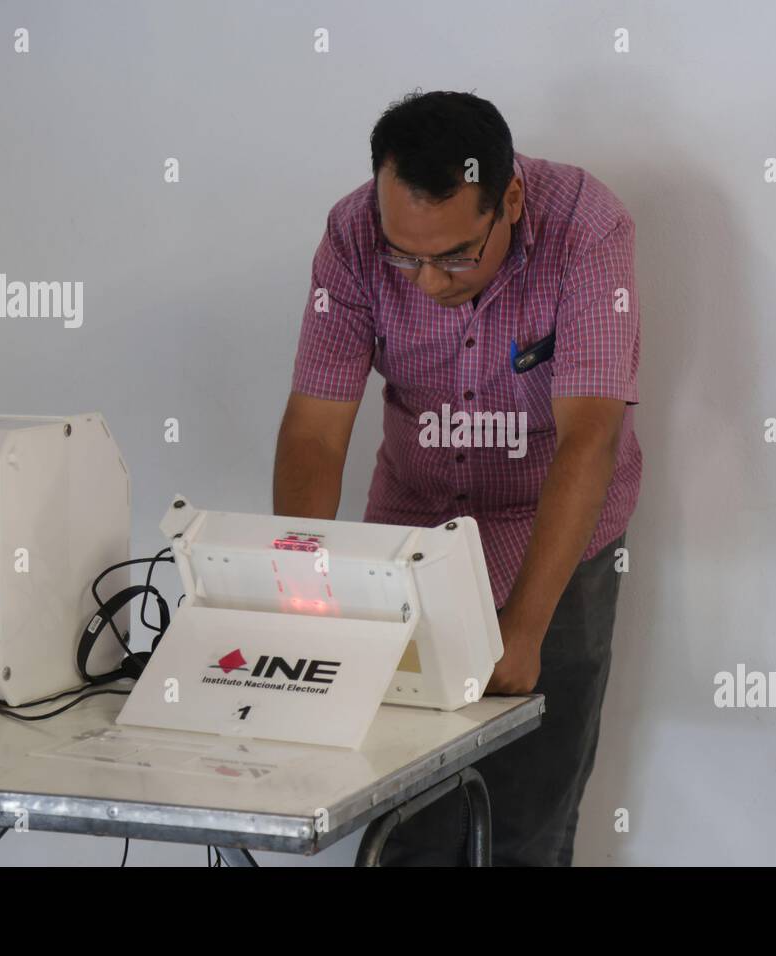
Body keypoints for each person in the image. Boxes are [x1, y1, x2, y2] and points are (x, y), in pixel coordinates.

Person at [273, 90, 642, 866]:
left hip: (555, 540)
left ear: (509, 200)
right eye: (405, 257)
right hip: (411, 534)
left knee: (529, 820)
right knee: (407, 817)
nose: (429, 283)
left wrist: (528, 625)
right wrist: (303, 591)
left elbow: (589, 436)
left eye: (455, 257)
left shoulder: (588, 228)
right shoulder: (351, 235)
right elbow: (314, 431)